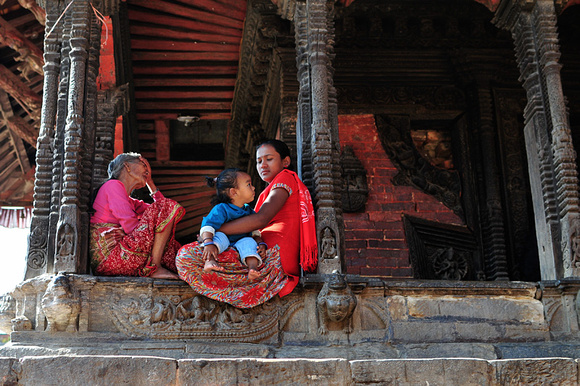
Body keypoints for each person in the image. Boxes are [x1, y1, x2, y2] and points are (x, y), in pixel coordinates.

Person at [176, 139, 318, 308]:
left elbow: (260, 220)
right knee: (195, 256)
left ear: (285, 161)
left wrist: (214, 230)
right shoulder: (268, 189)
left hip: (272, 255)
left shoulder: (285, 178)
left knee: (186, 255)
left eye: (269, 159)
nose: (263, 165)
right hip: (261, 251)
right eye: (259, 161)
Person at [89, 153, 185, 279]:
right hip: (112, 258)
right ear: (127, 166)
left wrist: (150, 182)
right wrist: (129, 231)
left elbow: (164, 213)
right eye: (142, 163)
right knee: (166, 208)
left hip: (119, 258)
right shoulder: (113, 185)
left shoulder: (129, 201)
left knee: (173, 250)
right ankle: (154, 267)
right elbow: (132, 226)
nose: (147, 169)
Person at [201, 168, 267, 280]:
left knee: (249, 242)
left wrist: (260, 244)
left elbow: (255, 232)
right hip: (224, 239)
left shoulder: (249, 210)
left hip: (241, 240)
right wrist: (208, 242)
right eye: (249, 185)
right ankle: (210, 261)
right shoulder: (222, 209)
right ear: (234, 192)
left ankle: (252, 268)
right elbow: (208, 225)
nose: (254, 187)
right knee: (219, 237)